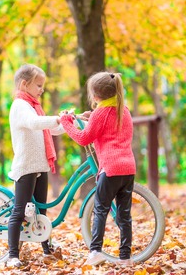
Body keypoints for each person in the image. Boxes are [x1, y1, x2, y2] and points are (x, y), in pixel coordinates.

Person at [6, 64, 88, 268]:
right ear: (25, 84)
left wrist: (73, 120)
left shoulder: (34, 106)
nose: (42, 89)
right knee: (19, 210)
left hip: (40, 165)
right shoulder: (20, 106)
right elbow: (35, 123)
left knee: (41, 211)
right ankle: (12, 255)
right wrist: (58, 118)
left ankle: (46, 248)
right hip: (26, 165)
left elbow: (51, 129)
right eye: (39, 85)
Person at [59, 72, 136, 267]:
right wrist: (91, 116)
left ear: (95, 96)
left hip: (110, 168)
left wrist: (66, 123)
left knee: (100, 209)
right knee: (124, 214)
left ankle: (95, 251)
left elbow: (84, 138)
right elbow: (110, 124)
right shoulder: (123, 109)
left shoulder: (101, 113)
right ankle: (125, 257)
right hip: (128, 168)